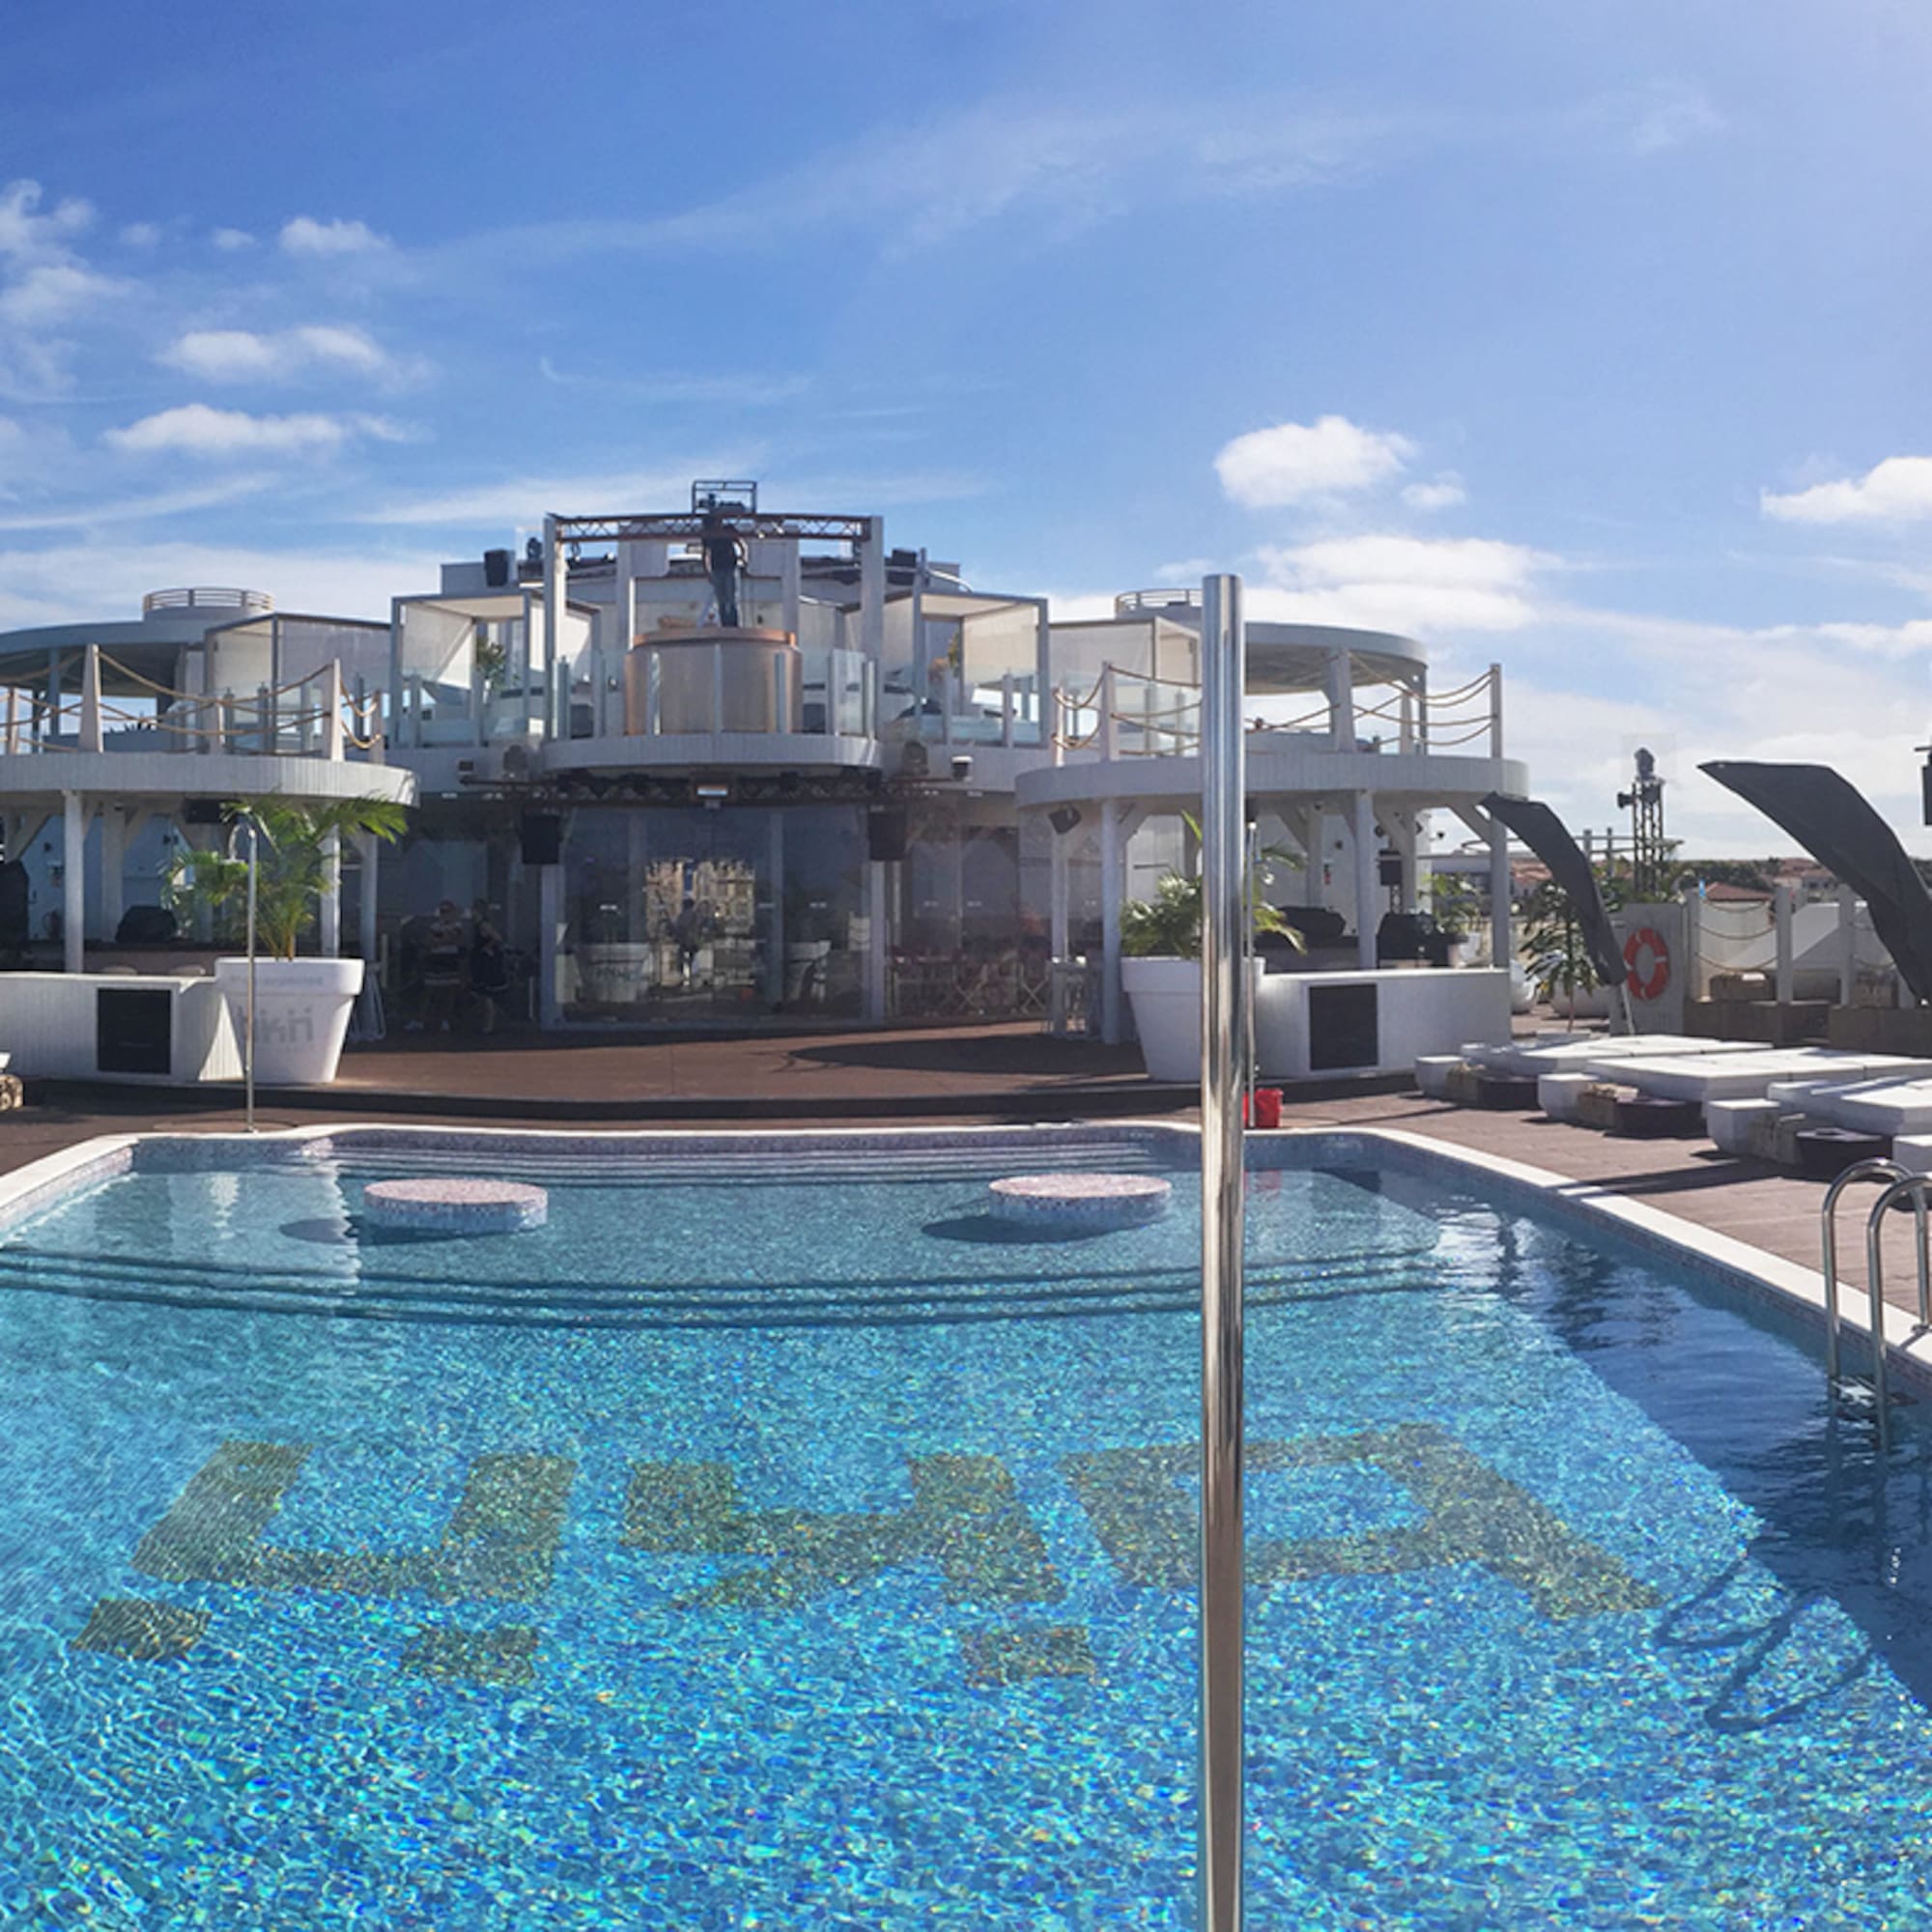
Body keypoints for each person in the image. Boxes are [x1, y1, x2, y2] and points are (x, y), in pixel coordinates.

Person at [417, 899, 467, 1033]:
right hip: (435, 961)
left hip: (449, 960)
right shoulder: (434, 926)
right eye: (442, 911)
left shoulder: (457, 926)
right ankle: (421, 1021)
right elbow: (427, 941)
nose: (444, 914)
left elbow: (454, 939)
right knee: (429, 991)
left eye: (447, 911)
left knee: (448, 993)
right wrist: (441, 940)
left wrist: (438, 941)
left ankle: (445, 1021)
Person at [469, 899, 509, 1035]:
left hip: (487, 963)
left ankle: (489, 1025)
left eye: (473, 909)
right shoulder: (476, 925)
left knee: (487, 996)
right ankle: (484, 1022)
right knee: (481, 995)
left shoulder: (484, 924)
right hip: (480, 962)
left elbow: (497, 938)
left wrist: (487, 947)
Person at [700, 509, 746, 628]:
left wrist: (743, 556)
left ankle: (734, 624)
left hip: (729, 567)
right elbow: (705, 554)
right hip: (717, 568)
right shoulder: (709, 534)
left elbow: (740, 541)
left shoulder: (728, 529)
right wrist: (707, 571)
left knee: (731, 597)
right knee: (721, 599)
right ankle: (725, 624)